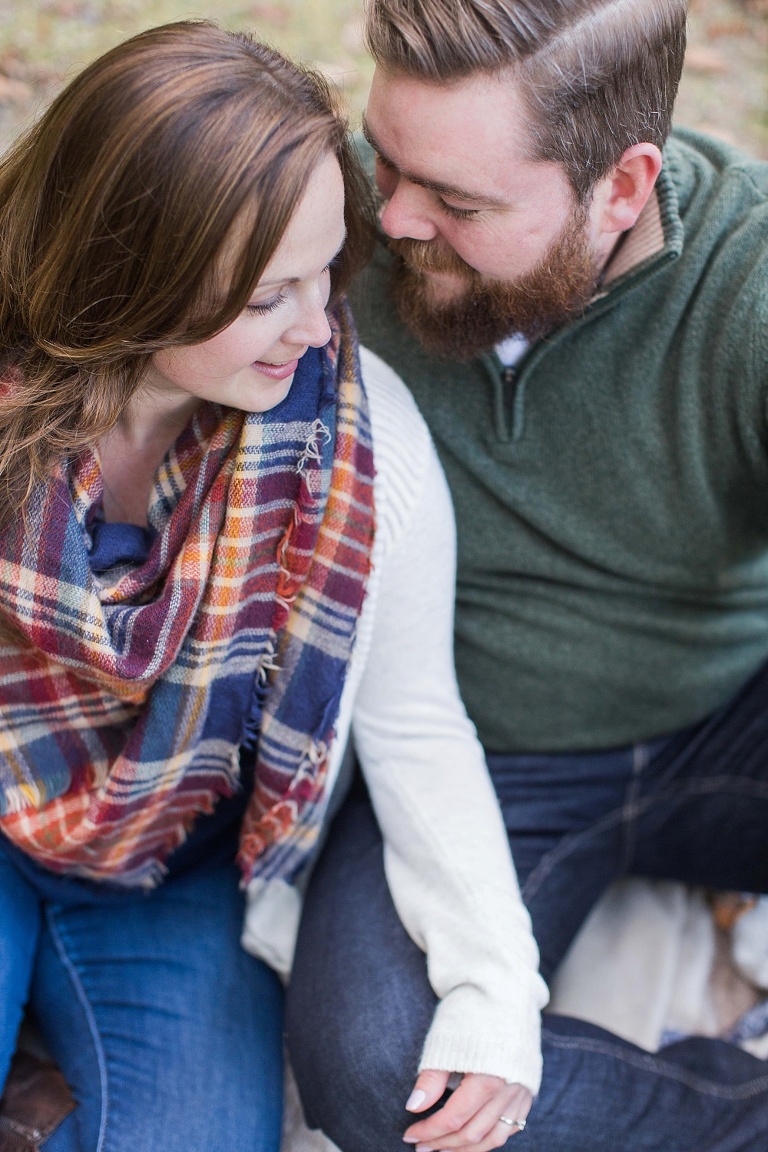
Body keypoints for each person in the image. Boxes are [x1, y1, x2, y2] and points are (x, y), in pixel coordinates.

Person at [0, 19, 547, 1152]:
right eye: (266, 297)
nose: (319, 327)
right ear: (124, 277)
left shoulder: (358, 436)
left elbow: (412, 720)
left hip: (172, 865)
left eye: (325, 272)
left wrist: (499, 988)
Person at [284, 1, 768, 1150]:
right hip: (469, 756)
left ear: (622, 187)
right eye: (385, 156)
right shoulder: (326, 215)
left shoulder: (745, 289)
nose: (391, 219)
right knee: (378, 1074)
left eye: (457, 203)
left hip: (731, 721)